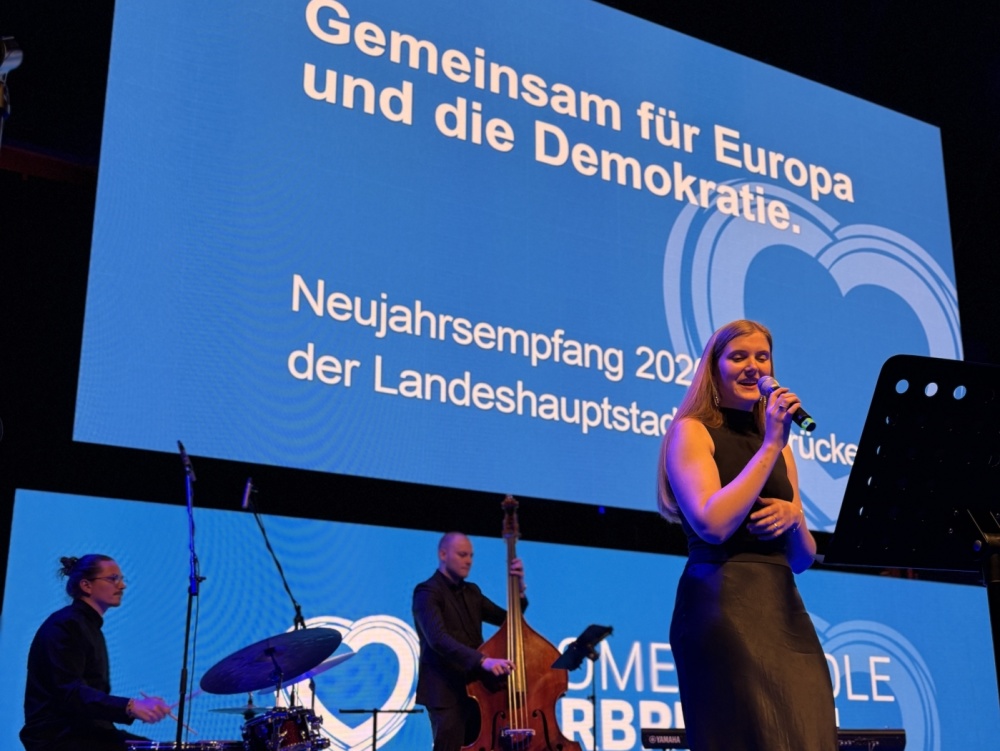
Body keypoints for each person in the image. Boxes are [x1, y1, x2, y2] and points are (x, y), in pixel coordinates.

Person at [657, 320, 837, 751]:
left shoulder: (779, 446)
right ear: (714, 369)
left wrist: (794, 516)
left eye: (762, 357)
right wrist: (771, 444)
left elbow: (802, 559)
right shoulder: (692, 431)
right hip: (723, 603)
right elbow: (713, 525)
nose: (753, 366)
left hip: (784, 609)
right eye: (738, 357)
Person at [20, 554, 172, 751]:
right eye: (113, 579)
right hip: (60, 737)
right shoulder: (66, 626)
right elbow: (69, 693)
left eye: (122, 579)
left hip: (86, 733)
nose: (122, 585)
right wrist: (130, 706)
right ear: (86, 585)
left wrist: (137, 707)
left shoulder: (86, 626)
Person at [412, 532, 526, 751]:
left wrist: (519, 589)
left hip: (476, 690)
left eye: (471, 556)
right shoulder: (427, 592)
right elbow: (438, 639)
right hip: (445, 692)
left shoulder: (472, 592)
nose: (468, 561)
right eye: (462, 555)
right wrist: (483, 660)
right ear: (443, 554)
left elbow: (510, 622)